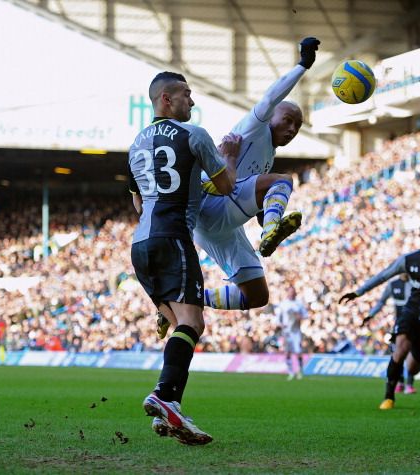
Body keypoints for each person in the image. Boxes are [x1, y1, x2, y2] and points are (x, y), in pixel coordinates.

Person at [129, 71, 240, 445]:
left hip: (141, 244)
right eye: (186, 95)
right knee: (192, 322)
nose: (191, 102)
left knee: (182, 326)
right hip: (174, 236)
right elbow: (225, 186)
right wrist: (230, 157)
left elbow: (137, 201)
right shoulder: (194, 135)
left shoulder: (135, 143)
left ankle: (171, 411)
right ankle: (164, 395)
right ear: (165, 99)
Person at [192, 37, 321, 311]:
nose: (292, 129)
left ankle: (187, 298)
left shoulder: (268, 155)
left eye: (297, 128)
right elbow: (271, 96)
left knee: (257, 297)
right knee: (283, 181)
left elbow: (257, 202)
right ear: (272, 116)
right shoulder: (255, 127)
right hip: (210, 201)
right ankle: (272, 228)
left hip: (217, 227)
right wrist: (303, 65)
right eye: (288, 121)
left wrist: (268, 223)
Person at [339, 220, 420, 410]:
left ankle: (411, 367)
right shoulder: (408, 259)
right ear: (419, 235)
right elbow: (383, 275)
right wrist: (358, 292)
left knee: (413, 367)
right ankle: (389, 397)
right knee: (400, 350)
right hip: (410, 312)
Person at [362, 273, 417, 394]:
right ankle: (401, 383)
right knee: (398, 353)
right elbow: (381, 301)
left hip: (413, 323)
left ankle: (410, 384)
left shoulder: (415, 283)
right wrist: (371, 315)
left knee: (411, 354)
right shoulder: (393, 285)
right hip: (399, 324)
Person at [275, 286, 308, 380]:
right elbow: (277, 320)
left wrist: (300, 317)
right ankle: (291, 372)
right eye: (290, 292)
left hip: (296, 331)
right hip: (286, 332)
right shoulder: (283, 304)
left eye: (293, 292)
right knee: (287, 352)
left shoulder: (299, 304)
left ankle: (300, 371)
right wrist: (282, 325)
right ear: (287, 293)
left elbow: (306, 315)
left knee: (298, 352)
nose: (292, 293)